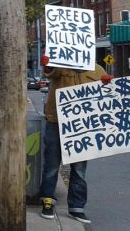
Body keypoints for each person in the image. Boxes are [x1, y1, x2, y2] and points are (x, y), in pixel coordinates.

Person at [39, 58, 108, 224]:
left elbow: (106, 96)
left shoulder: (98, 70)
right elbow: (49, 73)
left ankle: (77, 207)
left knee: (79, 169)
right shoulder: (59, 66)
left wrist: (108, 83)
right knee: (52, 165)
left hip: (82, 128)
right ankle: (47, 201)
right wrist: (47, 63)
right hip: (56, 122)